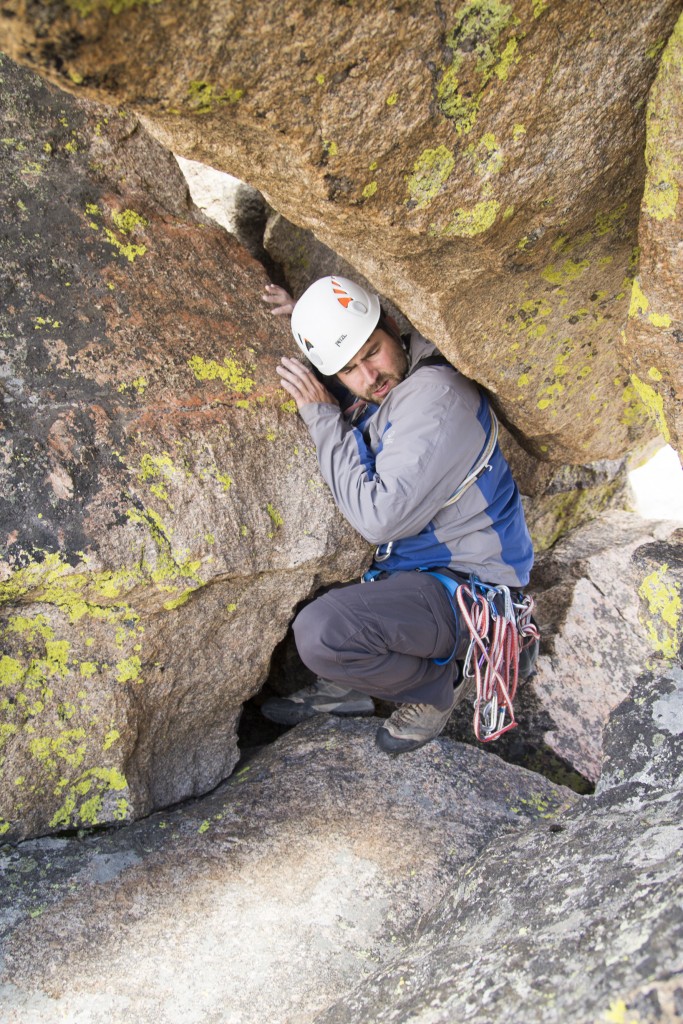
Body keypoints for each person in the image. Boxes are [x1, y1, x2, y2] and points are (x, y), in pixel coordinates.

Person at [260, 275, 535, 754]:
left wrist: (322, 419)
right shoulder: (402, 378)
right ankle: (353, 685)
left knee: (322, 632)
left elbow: (378, 519)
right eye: (348, 370)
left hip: (470, 590)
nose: (370, 377)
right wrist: (309, 315)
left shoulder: (438, 398)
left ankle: (435, 687)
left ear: (391, 323)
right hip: (418, 574)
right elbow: (371, 393)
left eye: (372, 352)